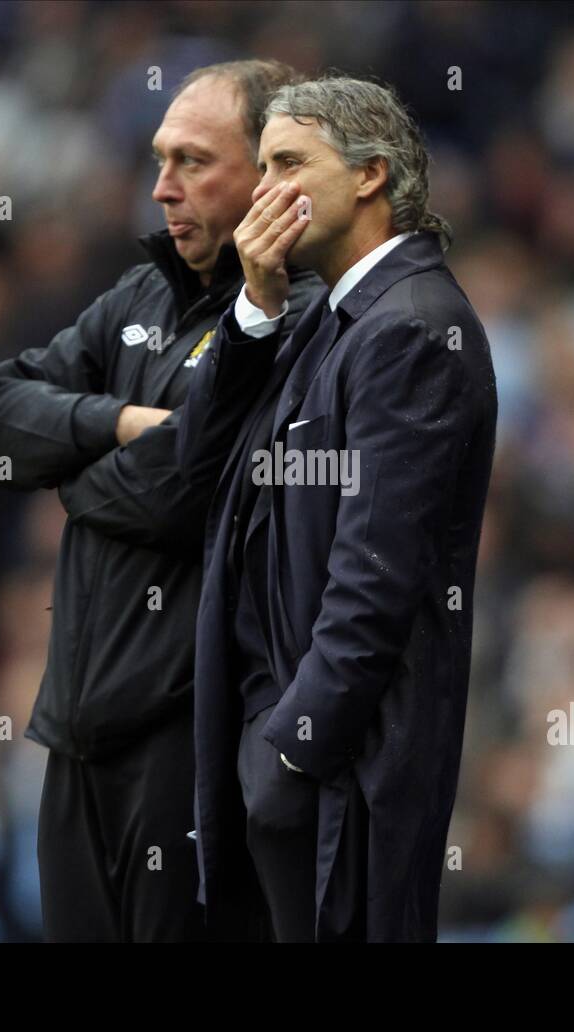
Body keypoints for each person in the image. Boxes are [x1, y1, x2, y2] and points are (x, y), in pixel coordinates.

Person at [0, 60, 319, 942]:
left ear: (271, 172)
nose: (162, 188)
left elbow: (176, 492)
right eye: (161, 159)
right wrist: (122, 420)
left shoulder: (306, 321)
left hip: (188, 747)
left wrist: (74, 469)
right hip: (76, 737)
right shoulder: (141, 292)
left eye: (194, 162)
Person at [178, 76, 498, 941]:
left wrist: (292, 748)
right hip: (291, 750)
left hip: (344, 768)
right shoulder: (327, 316)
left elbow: (375, 576)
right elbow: (198, 464)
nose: (263, 189)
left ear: (370, 176)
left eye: (290, 162)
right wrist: (254, 306)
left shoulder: (413, 327)